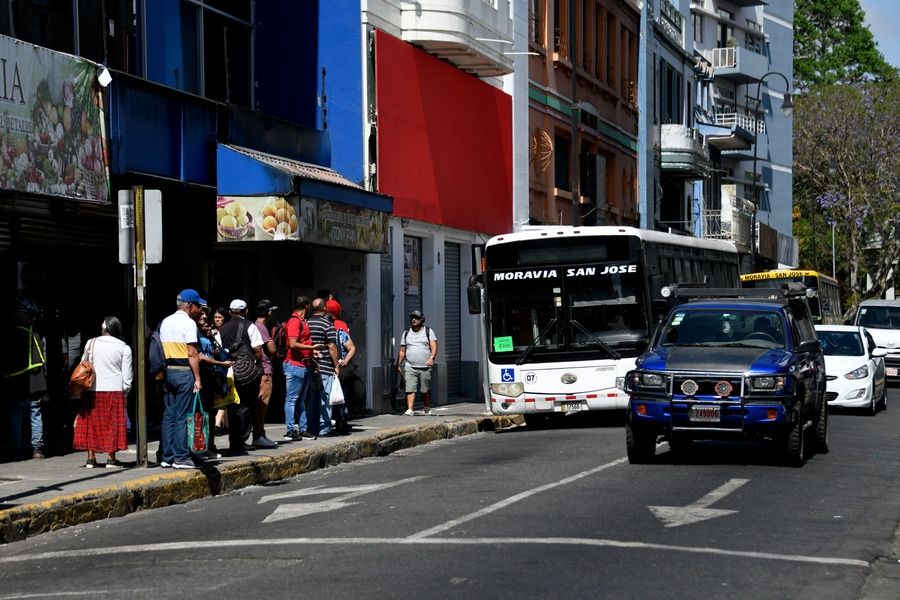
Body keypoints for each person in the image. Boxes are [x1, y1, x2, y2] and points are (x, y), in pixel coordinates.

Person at [73, 316, 133, 468]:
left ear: (104, 329)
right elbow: (127, 377)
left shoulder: (91, 343)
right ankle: (110, 459)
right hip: (114, 391)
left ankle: (90, 458)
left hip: (92, 390)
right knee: (112, 425)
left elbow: (83, 365)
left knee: (91, 424)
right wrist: (124, 393)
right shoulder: (124, 347)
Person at [158, 289, 205, 469]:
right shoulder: (188, 323)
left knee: (169, 415)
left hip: (169, 371)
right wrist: (198, 378)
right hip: (184, 371)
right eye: (198, 306)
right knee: (183, 416)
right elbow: (192, 353)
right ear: (190, 306)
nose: (200, 310)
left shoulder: (166, 322)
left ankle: (167, 456)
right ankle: (181, 457)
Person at [2, 297, 48, 460]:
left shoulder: (13, 334)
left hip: (17, 384)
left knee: (15, 415)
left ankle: (15, 447)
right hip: (36, 383)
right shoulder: (36, 334)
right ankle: (37, 449)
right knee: (35, 415)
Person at [218, 298, 264, 454]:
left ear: (230, 312)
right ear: (246, 311)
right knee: (246, 405)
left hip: (228, 373)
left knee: (232, 406)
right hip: (246, 373)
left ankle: (234, 440)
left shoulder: (222, 329)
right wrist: (258, 365)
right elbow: (257, 349)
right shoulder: (250, 326)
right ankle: (241, 440)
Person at [283, 295, 323, 441]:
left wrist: (312, 352)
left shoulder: (301, 321)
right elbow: (293, 344)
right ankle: (290, 430)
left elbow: (300, 343)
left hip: (303, 365)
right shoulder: (294, 322)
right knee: (292, 399)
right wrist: (312, 347)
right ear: (306, 307)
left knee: (300, 400)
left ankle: (303, 429)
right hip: (295, 366)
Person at [196, 310, 232, 459]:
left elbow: (208, 354)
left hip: (211, 378)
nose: (208, 327)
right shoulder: (195, 336)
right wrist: (221, 363)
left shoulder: (208, 337)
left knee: (209, 414)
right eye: (205, 325)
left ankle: (209, 445)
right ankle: (199, 447)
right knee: (200, 414)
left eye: (210, 325)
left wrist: (216, 354)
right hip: (202, 378)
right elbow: (201, 358)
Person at [307, 298, 340, 437]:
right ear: (325, 309)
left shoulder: (306, 324)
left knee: (312, 398)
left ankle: (311, 426)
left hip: (310, 365)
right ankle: (324, 428)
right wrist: (336, 365)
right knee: (325, 398)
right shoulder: (328, 325)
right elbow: (332, 347)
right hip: (325, 366)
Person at [396, 310, 438, 416]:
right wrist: (398, 364)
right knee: (410, 388)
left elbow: (434, 346)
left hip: (425, 365)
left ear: (421, 319)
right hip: (410, 365)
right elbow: (402, 351)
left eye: (416, 318)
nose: (413, 320)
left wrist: (432, 358)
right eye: (412, 318)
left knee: (425, 389)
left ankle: (427, 407)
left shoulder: (428, 331)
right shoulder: (406, 333)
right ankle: (410, 409)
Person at [326, 300, 356, 434]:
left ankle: (326, 423)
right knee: (340, 395)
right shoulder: (341, 327)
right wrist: (344, 360)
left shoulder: (321, 328)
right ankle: (341, 421)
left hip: (326, 367)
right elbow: (351, 347)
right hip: (339, 367)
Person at [252, 299, 279, 448]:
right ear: (269, 313)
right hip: (265, 371)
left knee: (260, 404)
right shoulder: (261, 327)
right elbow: (272, 349)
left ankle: (261, 433)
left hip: (262, 370)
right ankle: (258, 435)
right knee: (262, 404)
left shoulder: (256, 325)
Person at [211, 306, 230, 437]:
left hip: (226, 365)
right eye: (215, 317)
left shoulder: (227, 331)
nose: (217, 320)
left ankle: (217, 424)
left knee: (225, 394)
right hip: (215, 366)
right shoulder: (210, 331)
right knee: (222, 394)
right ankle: (227, 426)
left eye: (220, 318)